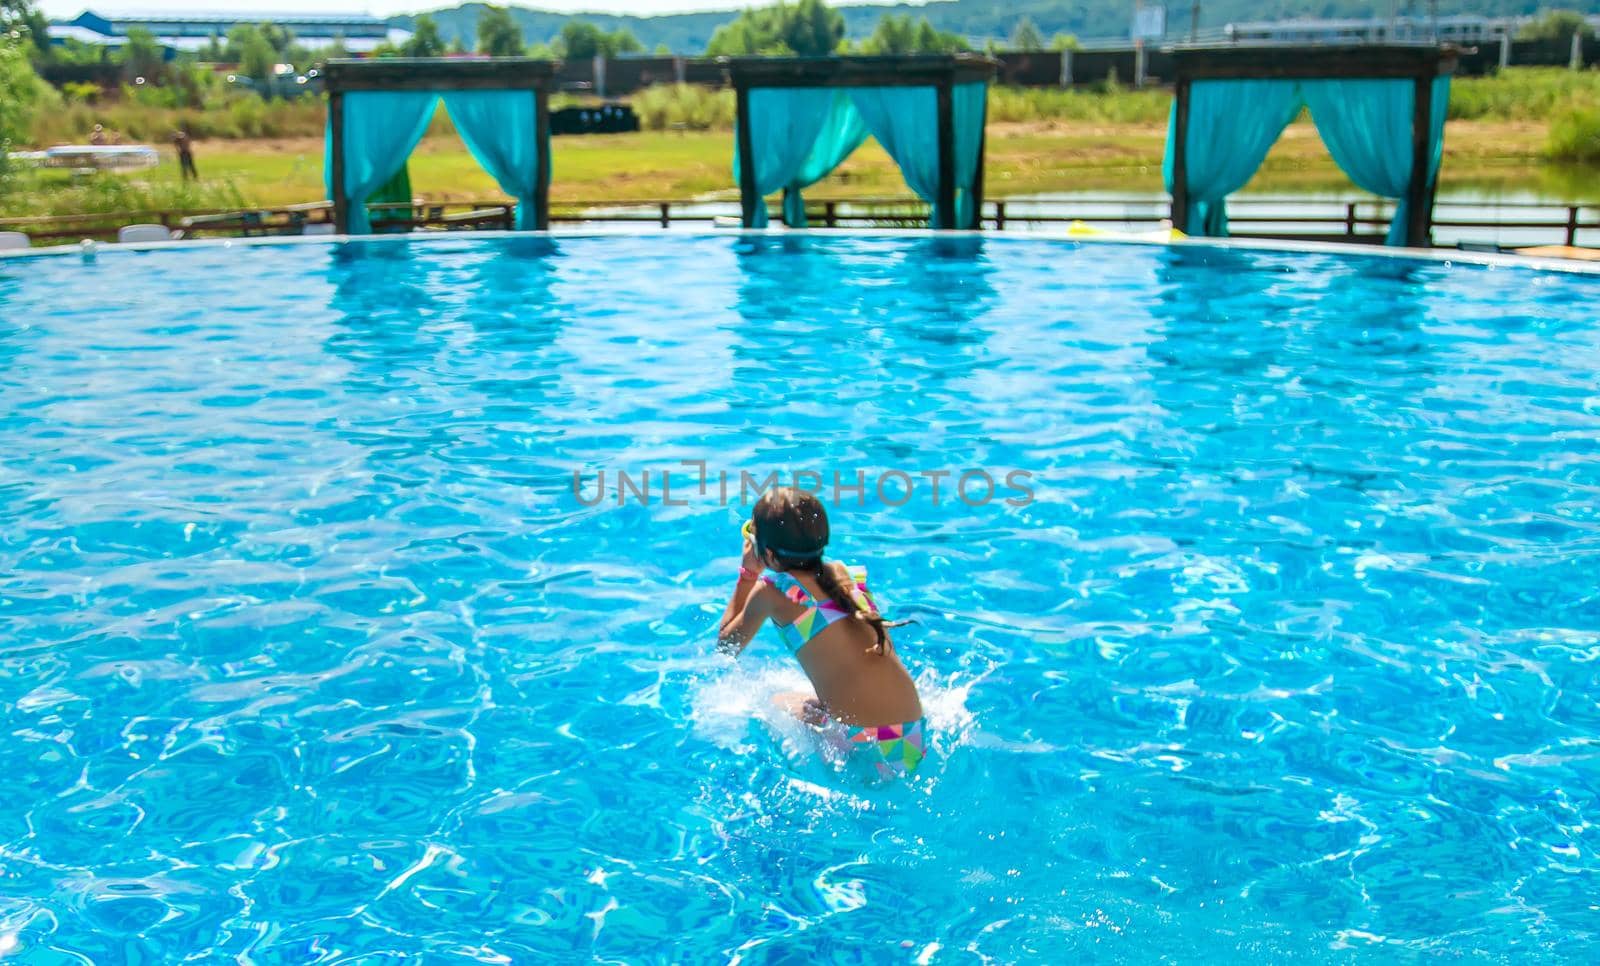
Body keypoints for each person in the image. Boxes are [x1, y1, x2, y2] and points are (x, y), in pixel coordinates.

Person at [718, 487, 926, 780]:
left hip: (868, 749)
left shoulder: (771, 592)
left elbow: (726, 646)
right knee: (809, 703)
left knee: (772, 703)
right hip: (912, 737)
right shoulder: (845, 575)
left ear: (767, 552)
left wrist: (748, 573)